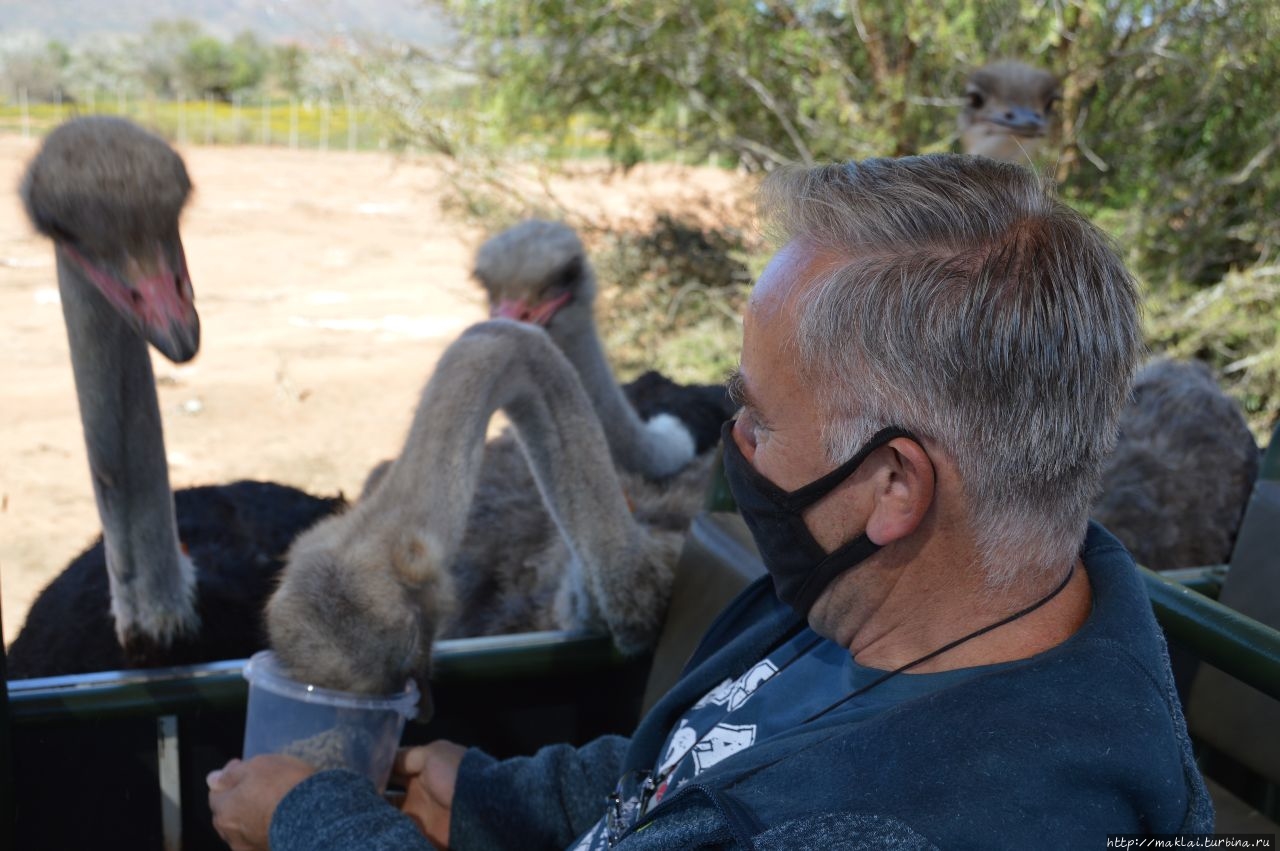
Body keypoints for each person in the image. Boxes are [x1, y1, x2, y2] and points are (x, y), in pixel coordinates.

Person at [208, 155, 1213, 850]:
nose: (728, 442)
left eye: (757, 414)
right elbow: (703, 753)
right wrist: (492, 796)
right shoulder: (925, 601)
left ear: (893, 484)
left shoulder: (892, 820)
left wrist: (319, 822)